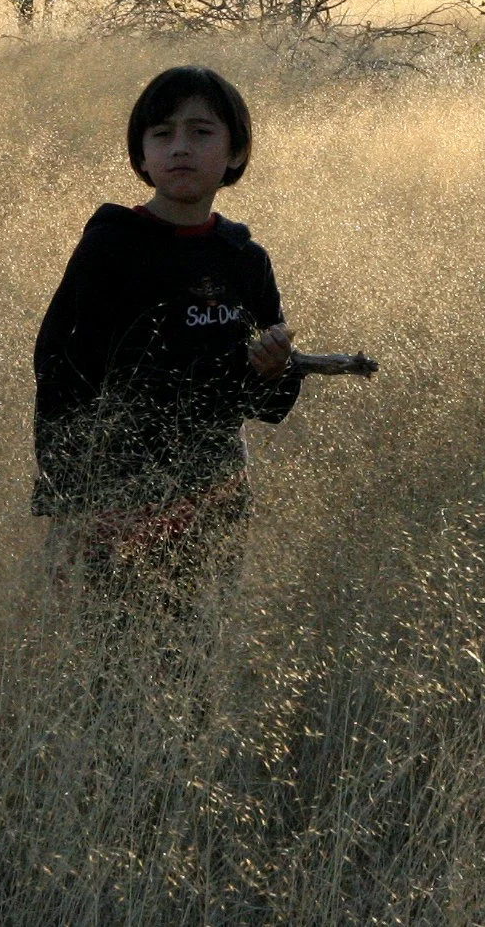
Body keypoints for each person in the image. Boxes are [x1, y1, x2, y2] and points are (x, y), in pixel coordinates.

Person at [32, 65, 301, 619]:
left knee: (195, 653)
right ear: (140, 156)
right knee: (108, 661)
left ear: (235, 151)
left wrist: (277, 370)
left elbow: (265, 404)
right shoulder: (111, 246)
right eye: (162, 134)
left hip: (214, 495)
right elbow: (58, 368)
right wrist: (74, 498)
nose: (181, 147)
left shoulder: (244, 259)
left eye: (201, 132)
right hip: (114, 501)